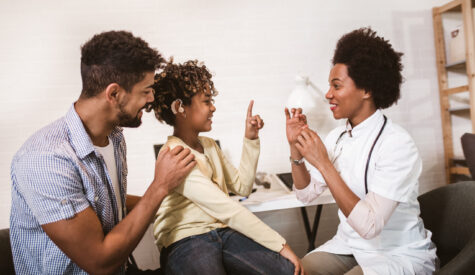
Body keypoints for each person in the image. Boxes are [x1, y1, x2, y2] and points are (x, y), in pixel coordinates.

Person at [10, 31, 196, 274]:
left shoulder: (114, 137)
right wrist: (160, 186)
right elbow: (99, 262)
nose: (151, 98)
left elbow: (106, 203)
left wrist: (182, 205)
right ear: (114, 94)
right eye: (146, 90)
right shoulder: (46, 160)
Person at [285, 28, 438, 275]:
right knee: (295, 270)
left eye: (336, 85)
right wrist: (296, 151)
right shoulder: (337, 137)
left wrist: (324, 163)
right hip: (349, 246)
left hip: (396, 253)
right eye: (329, 86)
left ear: (366, 90)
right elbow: (305, 194)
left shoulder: (398, 144)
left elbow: (370, 225)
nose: (328, 94)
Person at [151, 59, 304, 275]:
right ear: (180, 108)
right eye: (206, 101)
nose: (213, 107)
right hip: (186, 240)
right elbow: (227, 208)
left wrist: (250, 139)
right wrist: (280, 244)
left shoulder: (209, 146)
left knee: (286, 270)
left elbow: (241, 187)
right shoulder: (174, 155)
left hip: (222, 231)